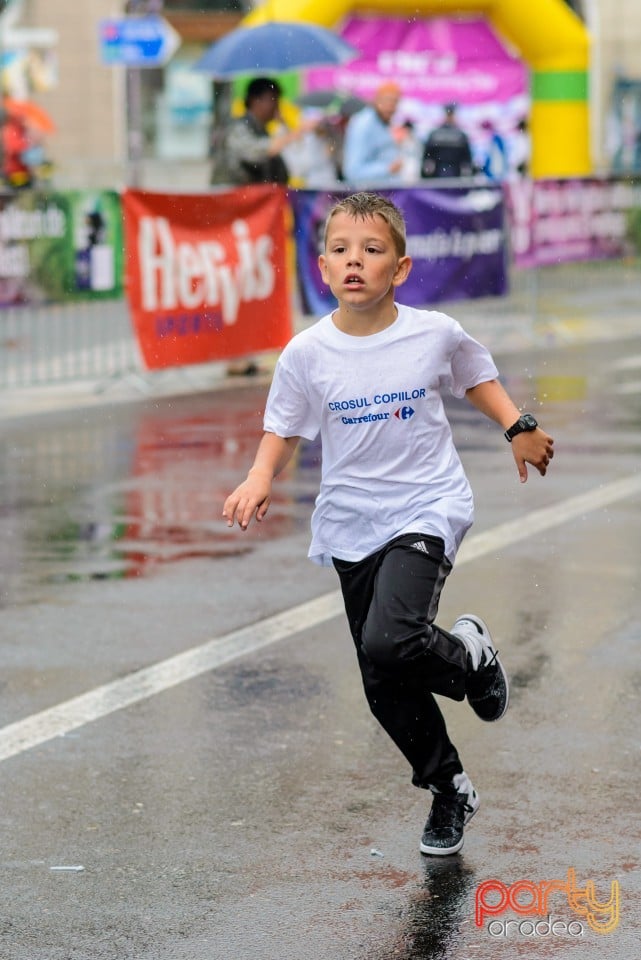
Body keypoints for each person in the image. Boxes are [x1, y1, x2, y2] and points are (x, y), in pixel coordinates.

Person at [223, 192, 554, 856]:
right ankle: (448, 786)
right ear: (322, 268)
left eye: (371, 251)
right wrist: (259, 477)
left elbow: (475, 377)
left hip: (425, 506)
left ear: (398, 269)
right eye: (342, 251)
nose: (355, 262)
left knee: (390, 639)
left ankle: (467, 658)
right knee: (382, 684)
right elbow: (283, 427)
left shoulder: (431, 332)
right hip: (351, 520)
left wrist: (516, 424)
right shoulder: (306, 353)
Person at [210, 76, 316, 187]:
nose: (277, 106)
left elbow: (282, 171)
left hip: (257, 198)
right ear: (255, 100)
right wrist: (296, 132)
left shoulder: (262, 130)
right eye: (273, 99)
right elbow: (255, 152)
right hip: (230, 198)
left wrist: (286, 129)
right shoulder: (238, 126)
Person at [342, 82, 404, 186]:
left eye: (395, 102)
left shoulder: (382, 122)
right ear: (377, 100)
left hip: (384, 194)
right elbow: (353, 172)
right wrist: (388, 169)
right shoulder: (363, 125)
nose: (391, 107)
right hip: (370, 196)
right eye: (387, 101)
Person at [422, 103, 474, 179]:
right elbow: (467, 159)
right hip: (454, 175)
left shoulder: (435, 134)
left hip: (439, 175)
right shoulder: (461, 135)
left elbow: (427, 157)